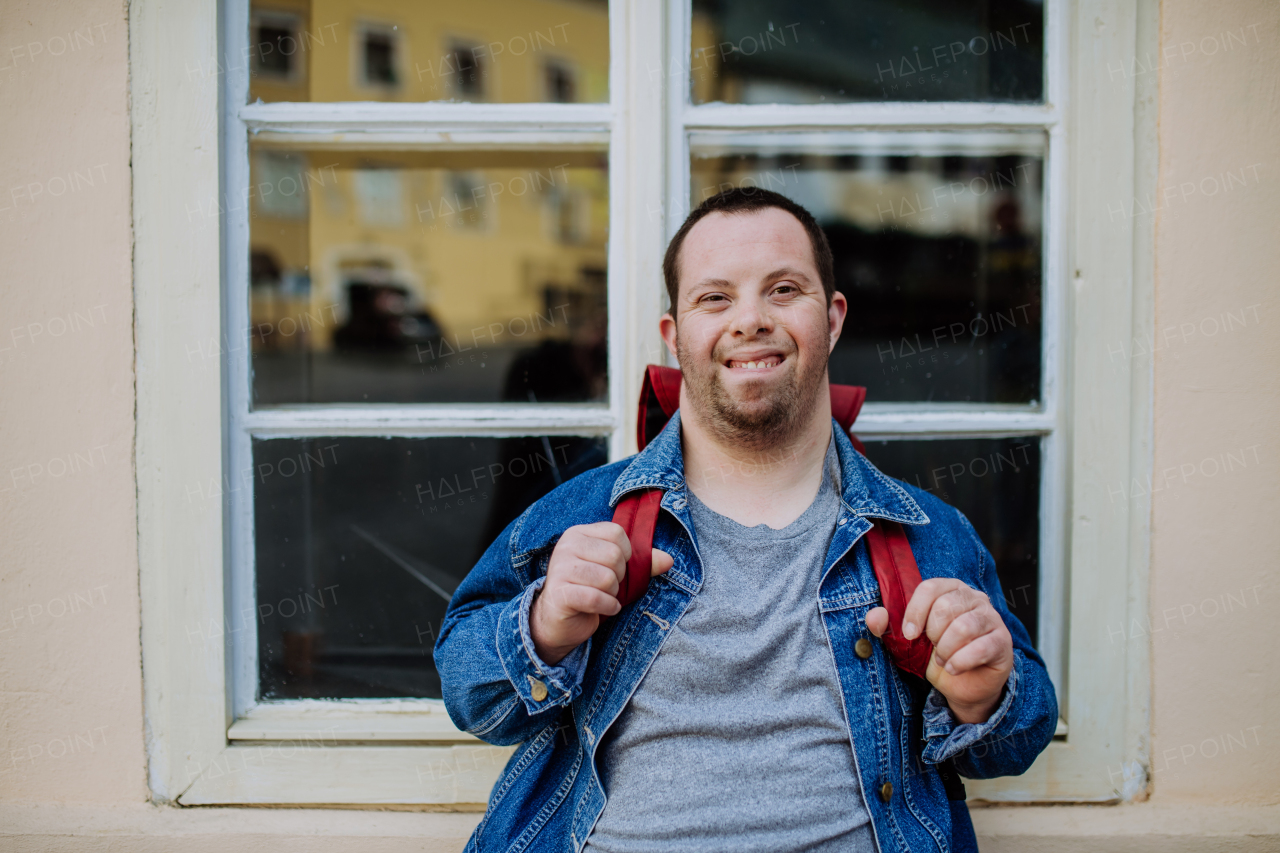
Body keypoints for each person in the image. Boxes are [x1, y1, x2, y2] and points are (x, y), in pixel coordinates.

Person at [435, 188, 1058, 853]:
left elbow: (1020, 736)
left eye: (784, 289)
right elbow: (469, 694)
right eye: (715, 297)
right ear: (675, 337)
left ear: (834, 317)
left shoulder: (926, 534)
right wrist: (543, 627)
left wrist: (983, 695)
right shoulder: (582, 516)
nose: (751, 319)